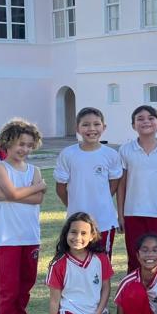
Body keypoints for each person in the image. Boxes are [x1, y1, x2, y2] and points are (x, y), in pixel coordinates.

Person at [0, 118, 46, 314]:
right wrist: (37, 187)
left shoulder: (35, 170)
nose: (24, 149)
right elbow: (13, 194)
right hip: (8, 237)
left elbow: (38, 200)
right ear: (7, 143)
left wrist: (17, 194)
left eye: (29, 145)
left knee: (26, 280)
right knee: (8, 283)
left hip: (30, 235)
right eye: (19, 143)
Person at [44, 212, 122, 314]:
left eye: (84, 233)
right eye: (73, 232)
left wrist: (99, 313)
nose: (77, 238)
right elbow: (54, 302)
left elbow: (106, 288)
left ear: (92, 236)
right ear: (66, 233)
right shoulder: (59, 263)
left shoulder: (100, 257)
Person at [54, 107, 123, 258]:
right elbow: (60, 188)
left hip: (104, 222)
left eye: (96, 124)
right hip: (76, 222)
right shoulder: (68, 154)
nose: (91, 129)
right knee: (77, 263)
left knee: (102, 265)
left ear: (103, 127)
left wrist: (101, 199)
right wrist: (74, 205)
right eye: (85, 124)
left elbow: (114, 184)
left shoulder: (111, 155)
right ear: (77, 128)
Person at [117, 105, 157, 272]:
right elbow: (122, 184)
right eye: (140, 119)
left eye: (151, 118)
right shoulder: (126, 150)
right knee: (135, 257)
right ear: (133, 125)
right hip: (133, 213)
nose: (146, 122)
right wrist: (121, 214)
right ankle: (136, 296)